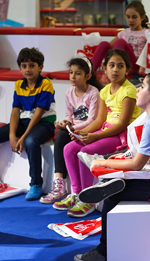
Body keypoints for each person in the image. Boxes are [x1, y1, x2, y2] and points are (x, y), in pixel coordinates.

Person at [75, 72, 150, 261]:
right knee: (119, 180)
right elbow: (148, 157)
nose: (137, 90)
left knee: (112, 196)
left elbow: (136, 164)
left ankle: (103, 252)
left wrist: (102, 161)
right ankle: (113, 182)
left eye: (142, 87)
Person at [53, 49, 141, 217]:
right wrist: (82, 132)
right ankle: (77, 194)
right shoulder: (104, 90)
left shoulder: (129, 91)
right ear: (104, 68)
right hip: (106, 130)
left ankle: (88, 199)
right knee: (69, 149)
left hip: (120, 136)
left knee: (85, 151)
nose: (115, 69)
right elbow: (99, 121)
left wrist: (95, 136)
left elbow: (122, 124)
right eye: (112, 65)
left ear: (127, 70)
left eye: (120, 66)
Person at [0, 47, 56, 201]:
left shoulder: (46, 84)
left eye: (32, 65)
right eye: (24, 66)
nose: (28, 69)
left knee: (31, 142)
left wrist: (22, 137)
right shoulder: (19, 84)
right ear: (20, 67)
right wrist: (12, 136)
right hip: (24, 121)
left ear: (41, 67)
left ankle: (36, 184)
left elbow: (39, 113)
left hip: (44, 123)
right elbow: (15, 112)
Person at [40, 57, 103, 204]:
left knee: (63, 136)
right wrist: (65, 122)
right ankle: (59, 182)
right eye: (71, 73)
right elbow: (70, 115)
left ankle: (64, 185)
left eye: (78, 73)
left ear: (88, 76)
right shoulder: (69, 92)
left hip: (88, 130)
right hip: (73, 130)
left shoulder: (93, 92)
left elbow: (92, 120)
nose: (73, 77)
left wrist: (73, 127)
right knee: (61, 135)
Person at [91, 0, 148, 79]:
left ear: (142, 17)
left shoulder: (146, 33)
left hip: (135, 66)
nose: (130, 20)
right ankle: (89, 72)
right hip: (119, 62)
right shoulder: (123, 33)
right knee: (104, 44)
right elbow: (109, 47)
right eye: (128, 17)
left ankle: (115, 67)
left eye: (134, 17)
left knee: (120, 41)